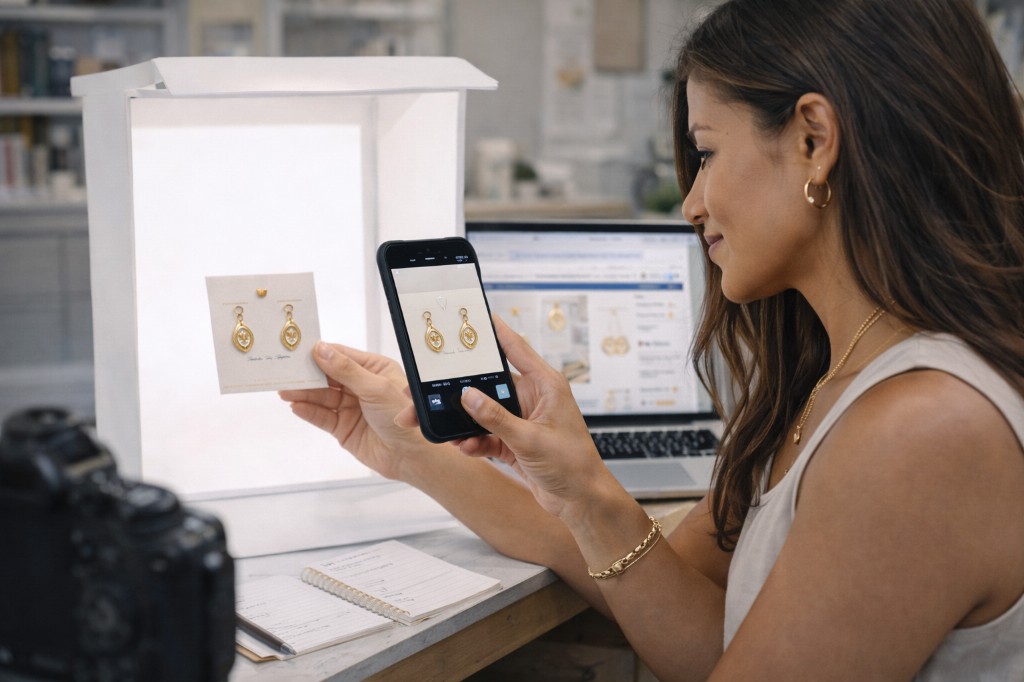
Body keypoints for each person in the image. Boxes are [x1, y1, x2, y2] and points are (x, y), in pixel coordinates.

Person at [280, 0, 1024, 678]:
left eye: (706, 153)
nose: (693, 203)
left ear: (813, 139)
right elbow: (703, 634)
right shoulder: (837, 382)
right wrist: (422, 451)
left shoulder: (922, 431)